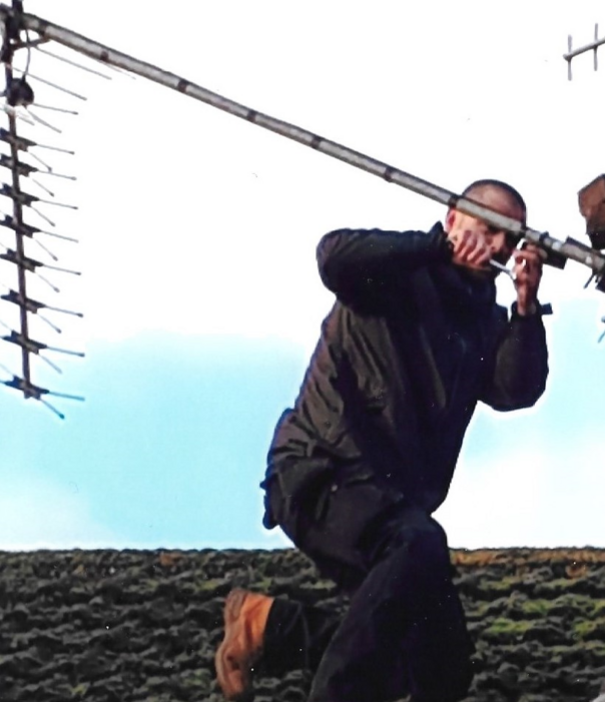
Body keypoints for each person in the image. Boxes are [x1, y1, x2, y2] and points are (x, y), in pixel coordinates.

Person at [214, 179, 549, 702]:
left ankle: (269, 627)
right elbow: (334, 257)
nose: (497, 249)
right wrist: (433, 246)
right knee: (416, 543)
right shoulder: (394, 275)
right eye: (489, 229)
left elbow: (515, 389)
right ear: (454, 216)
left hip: (392, 503)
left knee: (440, 669)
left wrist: (526, 310)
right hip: (326, 473)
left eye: (509, 241)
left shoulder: (484, 320)